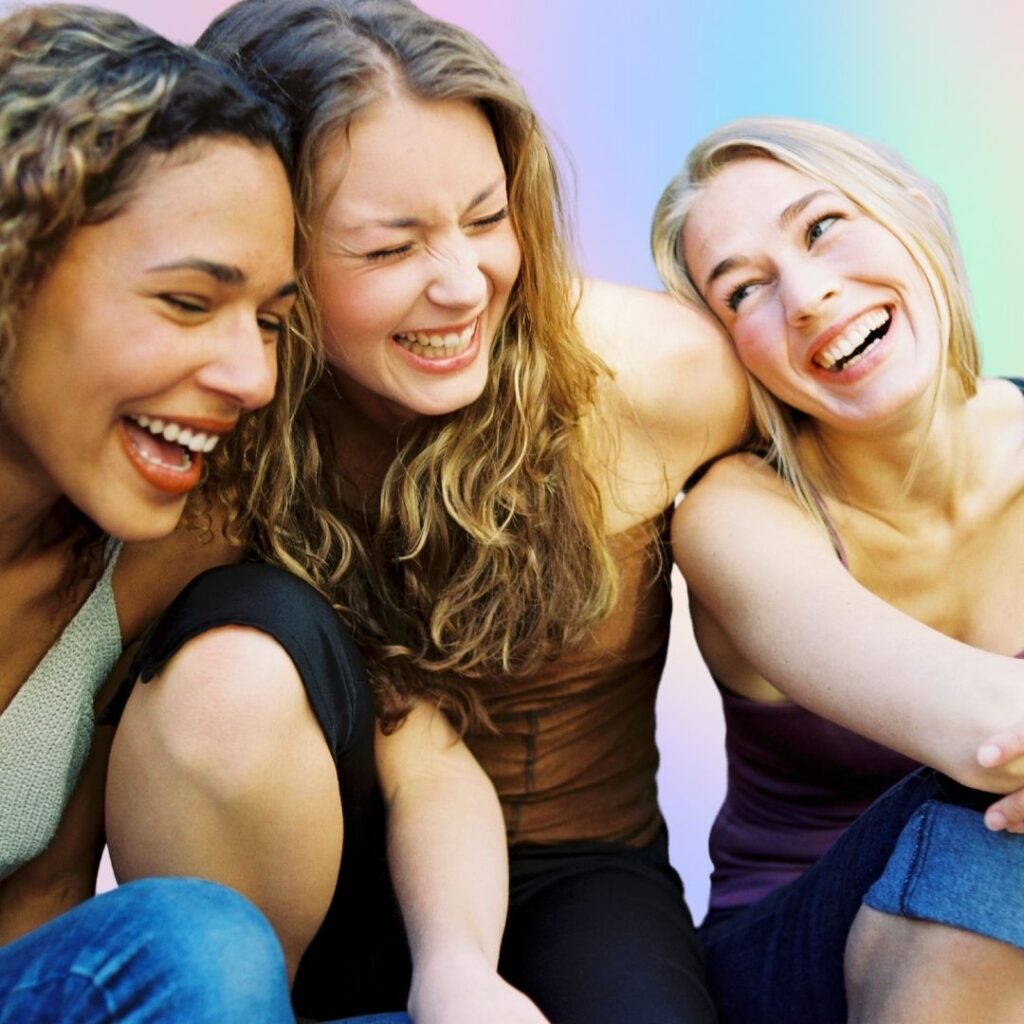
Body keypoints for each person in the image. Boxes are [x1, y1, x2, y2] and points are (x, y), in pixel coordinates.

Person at [109, 1, 749, 1022]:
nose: (462, 286)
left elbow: (892, 480)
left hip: (575, 871)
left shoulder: (660, 377)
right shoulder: (190, 436)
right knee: (235, 650)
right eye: (387, 249)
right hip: (307, 890)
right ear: (265, 250)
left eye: (487, 220)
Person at [651, 116, 1024, 1024]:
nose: (808, 295)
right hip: (790, 957)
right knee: (988, 817)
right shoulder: (731, 516)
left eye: (822, 228)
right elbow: (989, 730)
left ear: (915, 212)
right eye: (744, 291)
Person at [0, 3, 306, 1021]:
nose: (252, 377)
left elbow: (43, 917)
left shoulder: (147, 556)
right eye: (187, 302)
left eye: (269, 320)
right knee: (198, 946)